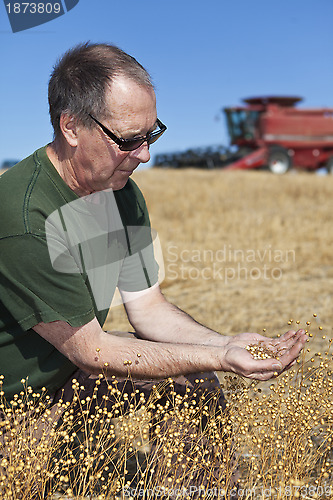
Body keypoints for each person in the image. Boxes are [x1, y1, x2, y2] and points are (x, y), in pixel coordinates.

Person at [0, 43, 306, 495]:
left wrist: (228, 344)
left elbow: (148, 309)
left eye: (153, 134)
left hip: (67, 376)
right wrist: (220, 357)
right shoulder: (25, 217)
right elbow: (93, 351)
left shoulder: (121, 194)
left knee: (192, 380)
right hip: (16, 408)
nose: (145, 155)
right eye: (128, 139)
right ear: (71, 126)